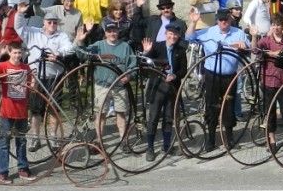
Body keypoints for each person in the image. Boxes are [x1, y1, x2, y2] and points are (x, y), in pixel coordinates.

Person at [185, 9, 250, 152]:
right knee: (212, 106)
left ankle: (229, 138)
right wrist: (193, 22)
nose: (223, 22)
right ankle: (211, 139)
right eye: (221, 19)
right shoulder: (209, 32)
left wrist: (244, 46)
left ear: (230, 19)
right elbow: (189, 37)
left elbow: (249, 48)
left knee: (229, 106)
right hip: (212, 75)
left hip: (230, 76)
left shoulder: (238, 33)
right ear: (217, 20)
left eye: (226, 19)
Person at [17, 12, 75, 152]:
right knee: (36, 109)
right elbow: (18, 27)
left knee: (54, 108)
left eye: (55, 22)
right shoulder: (33, 32)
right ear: (43, 22)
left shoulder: (61, 36)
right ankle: (35, 137)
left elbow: (70, 47)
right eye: (49, 22)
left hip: (54, 76)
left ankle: (53, 137)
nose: (52, 25)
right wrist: (19, 13)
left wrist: (59, 53)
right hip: (37, 76)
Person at [76, 21, 137, 149]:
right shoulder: (99, 45)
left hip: (120, 86)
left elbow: (134, 65)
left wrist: (129, 76)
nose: (112, 33)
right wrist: (81, 42)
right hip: (102, 85)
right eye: (109, 31)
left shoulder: (125, 46)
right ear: (105, 33)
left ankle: (123, 140)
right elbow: (82, 55)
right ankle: (99, 141)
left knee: (121, 113)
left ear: (118, 32)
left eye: (114, 31)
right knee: (101, 114)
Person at [0, 42, 36, 184]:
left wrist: (34, 82)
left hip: (21, 111)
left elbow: (31, 88)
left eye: (20, 53)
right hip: (6, 112)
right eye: (15, 53)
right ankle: (2, 172)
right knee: (4, 143)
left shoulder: (26, 68)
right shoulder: (4, 66)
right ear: (10, 53)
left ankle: (23, 169)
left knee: (21, 141)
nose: (17, 55)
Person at [140, 23, 187, 161]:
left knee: (168, 118)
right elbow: (145, 64)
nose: (173, 37)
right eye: (170, 34)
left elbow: (183, 70)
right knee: (153, 118)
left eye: (175, 35)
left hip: (172, 87)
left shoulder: (180, 50)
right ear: (166, 34)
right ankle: (150, 148)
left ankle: (167, 146)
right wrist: (146, 52)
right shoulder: (157, 46)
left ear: (178, 36)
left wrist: (175, 76)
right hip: (157, 86)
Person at [256, 15, 283, 149]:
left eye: (278, 25)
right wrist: (254, 36)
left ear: (282, 26)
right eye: (274, 25)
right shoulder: (265, 41)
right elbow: (255, 50)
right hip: (268, 78)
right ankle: (271, 138)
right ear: (271, 26)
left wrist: (275, 53)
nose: (276, 27)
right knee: (269, 111)